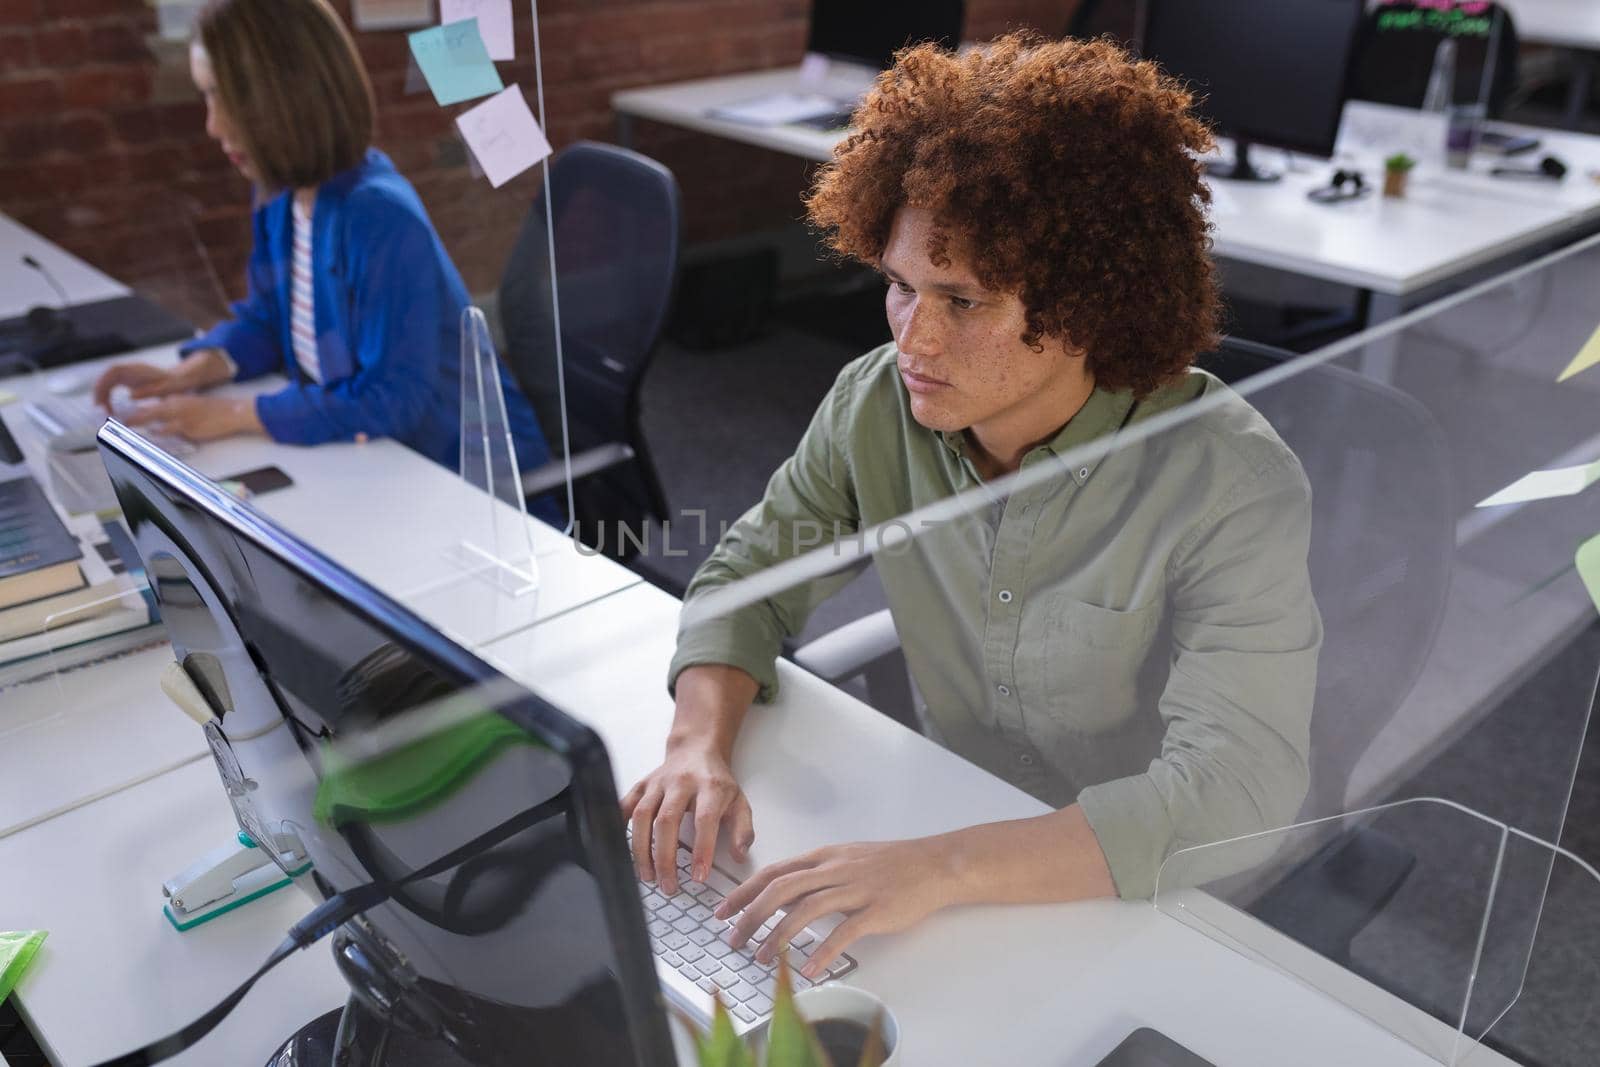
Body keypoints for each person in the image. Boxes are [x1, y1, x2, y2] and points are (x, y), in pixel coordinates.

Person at [623, 34, 1322, 980]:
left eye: (962, 300)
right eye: (901, 287)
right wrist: (695, 747)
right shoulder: (876, 403)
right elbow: (750, 572)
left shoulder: (1226, 482)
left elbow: (1235, 788)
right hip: (948, 839)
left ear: (1090, 305)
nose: (914, 337)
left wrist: (943, 865)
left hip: (1150, 903)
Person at [93, 0, 551, 477]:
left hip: (460, 479)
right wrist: (188, 375)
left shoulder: (378, 215)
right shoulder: (279, 195)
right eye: (207, 97)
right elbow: (272, 321)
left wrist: (232, 415)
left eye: (224, 97)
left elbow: (390, 399)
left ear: (285, 97)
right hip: (368, 462)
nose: (213, 125)